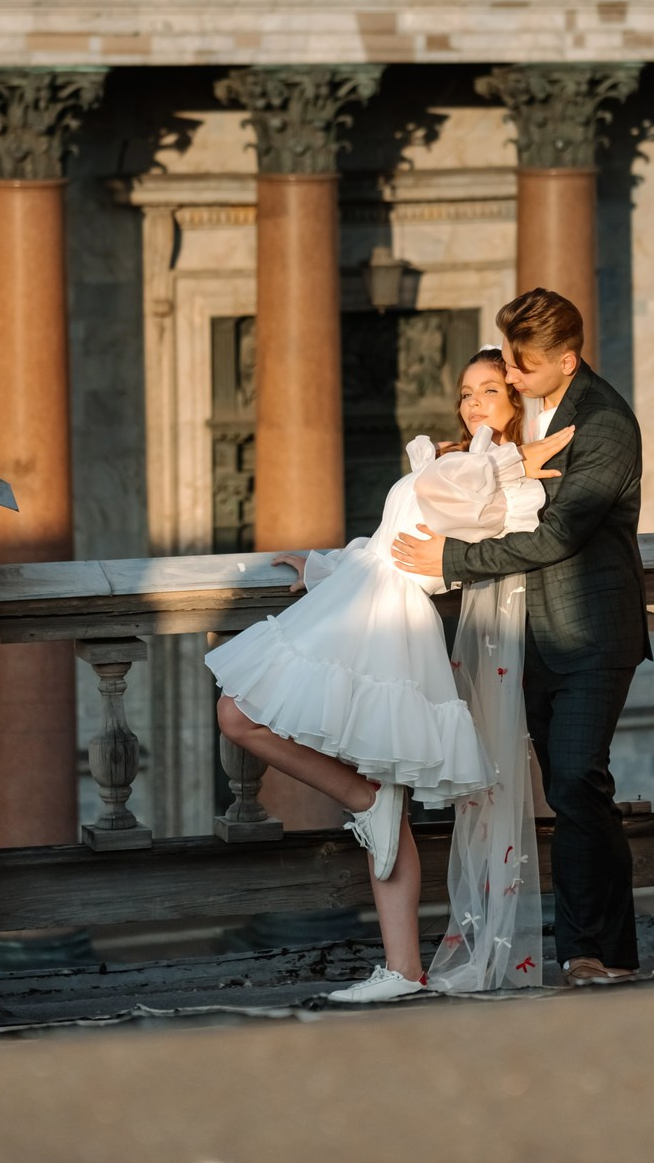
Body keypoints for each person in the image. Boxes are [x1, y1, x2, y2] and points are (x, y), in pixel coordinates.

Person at [207, 348, 573, 1005]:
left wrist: (513, 459)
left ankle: (401, 961)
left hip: (388, 623)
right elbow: (392, 540)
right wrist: (320, 566)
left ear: (518, 398)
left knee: (247, 717)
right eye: (466, 392)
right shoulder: (469, 460)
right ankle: (401, 959)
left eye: (490, 390)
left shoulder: (509, 481)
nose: (473, 403)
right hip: (358, 599)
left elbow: (466, 529)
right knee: (249, 719)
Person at [394, 288, 651, 987]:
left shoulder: (605, 425)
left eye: (521, 366)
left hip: (591, 632)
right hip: (522, 638)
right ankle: (606, 950)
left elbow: (559, 535)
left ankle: (588, 951)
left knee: (575, 781)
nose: (509, 375)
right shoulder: (521, 412)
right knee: (567, 790)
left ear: (567, 361)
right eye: (508, 360)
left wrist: (453, 560)